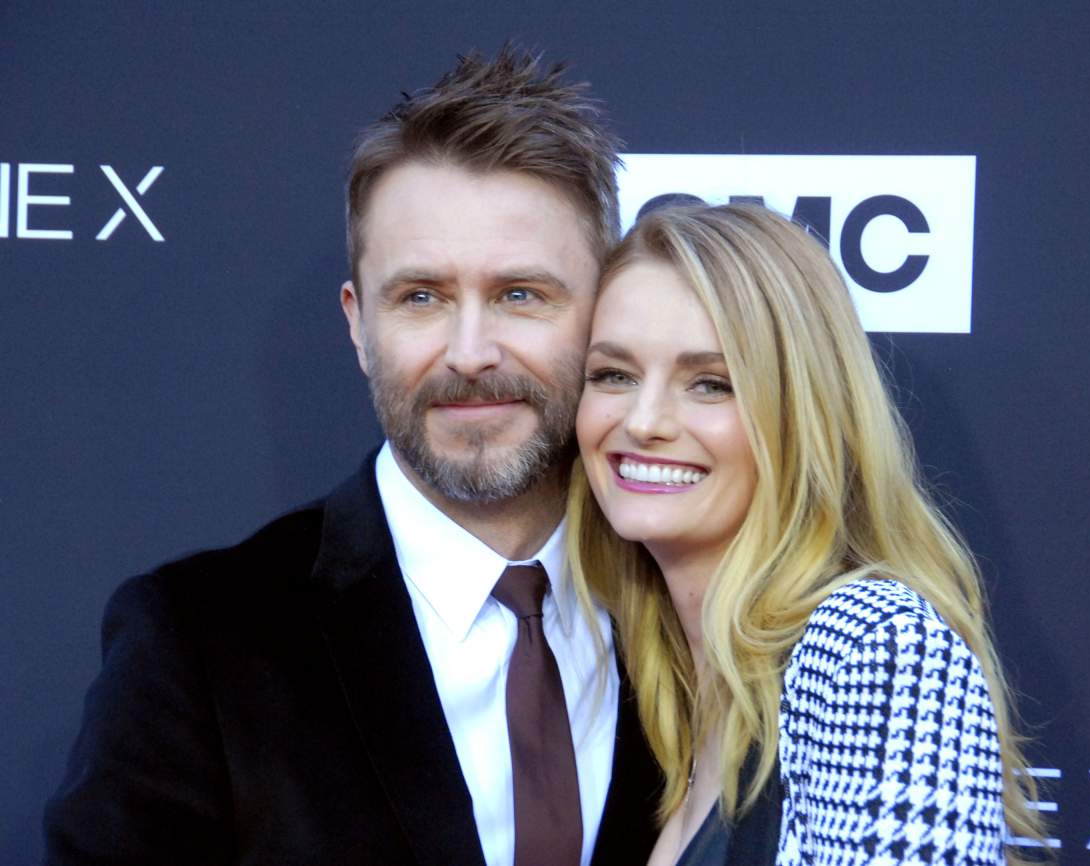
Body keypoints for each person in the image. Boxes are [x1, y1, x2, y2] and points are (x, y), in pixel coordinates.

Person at [43, 47, 660, 866]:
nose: (470, 352)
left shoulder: (696, 617)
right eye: (421, 297)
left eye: (520, 293)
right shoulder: (198, 644)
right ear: (357, 326)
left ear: (601, 313)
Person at [568, 204, 1047, 865]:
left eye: (711, 384)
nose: (644, 420)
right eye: (613, 375)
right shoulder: (677, 694)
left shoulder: (875, 647)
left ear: (801, 412)